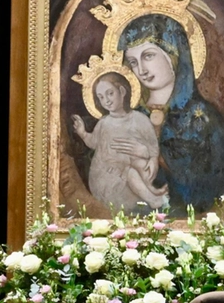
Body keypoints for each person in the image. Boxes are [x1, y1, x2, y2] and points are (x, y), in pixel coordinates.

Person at [116, 13, 224, 217]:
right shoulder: (129, 117)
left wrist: (157, 156)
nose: (142, 70)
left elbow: (219, 184)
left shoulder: (203, 119)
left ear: (173, 55)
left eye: (148, 56)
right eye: (133, 62)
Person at [70, 71, 169, 211]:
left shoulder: (140, 119)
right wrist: (82, 132)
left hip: (131, 169)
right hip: (106, 175)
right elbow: (93, 143)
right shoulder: (104, 123)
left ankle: (151, 191)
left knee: (141, 165)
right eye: (101, 97)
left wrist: (152, 158)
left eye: (110, 93)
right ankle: (152, 199)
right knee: (130, 172)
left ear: (122, 91)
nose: (106, 100)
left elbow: (152, 145)